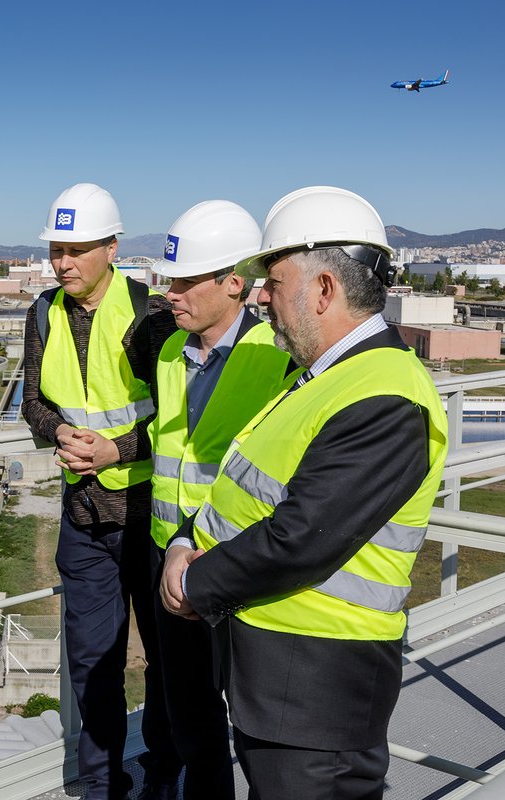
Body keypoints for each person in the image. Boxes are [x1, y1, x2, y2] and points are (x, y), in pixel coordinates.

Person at [161, 187, 449, 800]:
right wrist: (186, 537)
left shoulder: (387, 396)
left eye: (273, 280)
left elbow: (302, 538)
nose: (261, 296)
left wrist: (191, 582)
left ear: (323, 290)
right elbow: (241, 490)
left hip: (320, 690)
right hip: (281, 679)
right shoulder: (322, 375)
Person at [21, 183, 179, 800]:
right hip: (83, 519)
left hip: (146, 517)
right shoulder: (43, 313)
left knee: (166, 663)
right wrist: (57, 430)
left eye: (77, 249)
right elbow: (32, 400)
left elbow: (176, 415)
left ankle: (165, 776)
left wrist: (117, 449)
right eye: (57, 249)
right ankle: (100, 784)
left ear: (112, 248)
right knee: (92, 665)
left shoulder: (150, 315)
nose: (63, 262)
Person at [148, 200, 294, 799]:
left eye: (186, 281)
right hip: (173, 565)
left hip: (238, 572)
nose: (170, 293)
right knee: (191, 718)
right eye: (169, 280)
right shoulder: (166, 353)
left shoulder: (277, 358)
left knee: (258, 726)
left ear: (235, 284)